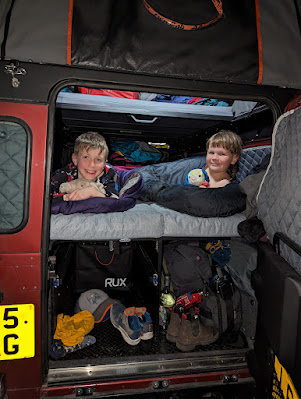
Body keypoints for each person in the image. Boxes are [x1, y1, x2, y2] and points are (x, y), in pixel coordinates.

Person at [51, 132, 118, 202]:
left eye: (98, 159)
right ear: (75, 159)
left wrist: (93, 193)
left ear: (105, 162)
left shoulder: (109, 173)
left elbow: (115, 200)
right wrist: (70, 197)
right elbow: (47, 201)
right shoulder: (62, 174)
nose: (92, 164)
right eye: (86, 157)